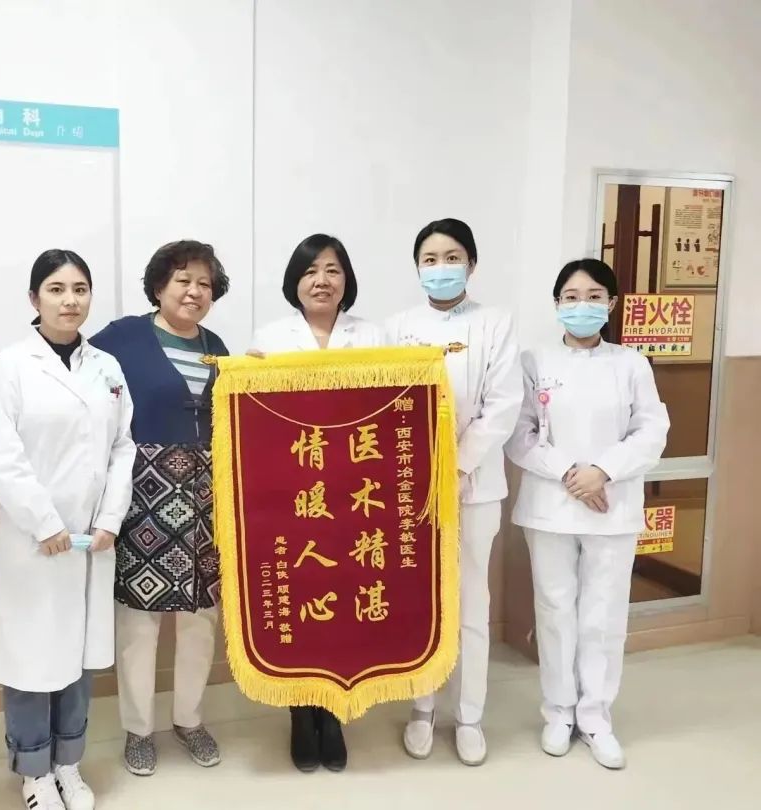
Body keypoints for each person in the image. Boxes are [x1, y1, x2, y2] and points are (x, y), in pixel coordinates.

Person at [0, 249, 135, 810]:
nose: (70, 300)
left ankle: (68, 763)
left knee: (78, 657)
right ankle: (34, 772)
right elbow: (2, 456)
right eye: (56, 289)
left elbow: (123, 447)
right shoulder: (10, 366)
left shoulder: (107, 367)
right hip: (33, 542)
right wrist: (44, 523)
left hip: (92, 540)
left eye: (80, 289)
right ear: (34, 298)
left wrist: (111, 518)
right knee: (30, 660)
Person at [505, 258, 668, 770]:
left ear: (611, 304)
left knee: (603, 614)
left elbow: (652, 430)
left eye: (594, 296)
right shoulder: (534, 361)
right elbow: (520, 433)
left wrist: (603, 471)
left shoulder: (631, 364)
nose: (582, 306)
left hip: (611, 506)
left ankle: (596, 716)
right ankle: (558, 712)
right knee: (555, 611)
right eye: (571, 297)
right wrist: (571, 474)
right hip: (551, 505)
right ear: (557, 304)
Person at [384, 218, 522, 767]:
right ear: (417, 268)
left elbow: (502, 406)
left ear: (471, 264)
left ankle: (470, 715)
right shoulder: (398, 327)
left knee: (471, 602)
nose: (440, 268)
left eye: (451, 257)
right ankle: (422, 707)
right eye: (430, 259)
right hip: (409, 489)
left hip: (474, 486)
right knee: (420, 599)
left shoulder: (495, 323)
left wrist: (458, 466)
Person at [90, 240, 230, 777]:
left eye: (204, 283)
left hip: (206, 498)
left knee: (200, 618)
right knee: (139, 621)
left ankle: (189, 721)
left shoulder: (217, 347)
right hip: (141, 495)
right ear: (159, 286)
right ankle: (138, 730)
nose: (194, 292)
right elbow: (72, 368)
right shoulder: (125, 336)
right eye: (182, 280)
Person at [249, 233, 384, 773]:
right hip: (293, 494)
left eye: (331, 270)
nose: (321, 281)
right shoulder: (269, 338)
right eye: (309, 271)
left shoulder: (373, 337)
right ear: (295, 283)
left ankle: (334, 714)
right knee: (301, 602)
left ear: (346, 279)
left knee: (345, 601)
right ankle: (300, 713)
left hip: (355, 494)